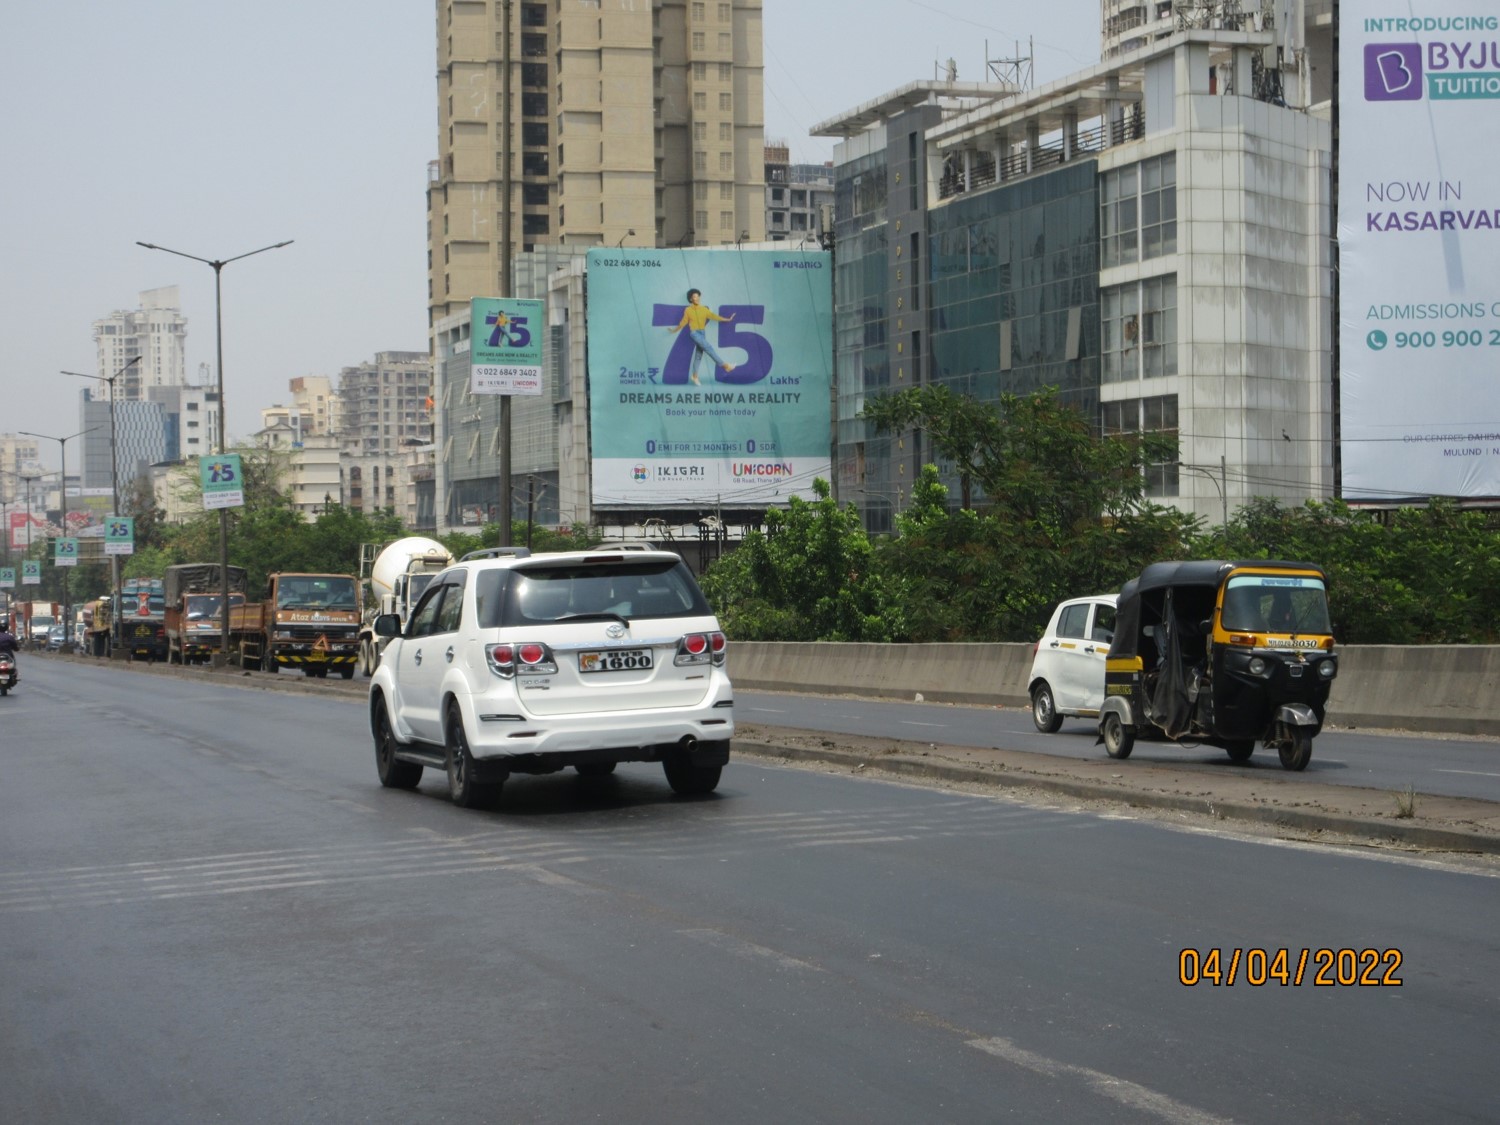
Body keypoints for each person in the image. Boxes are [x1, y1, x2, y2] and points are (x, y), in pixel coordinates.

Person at [667, 288, 736, 385]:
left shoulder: (704, 309)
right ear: (691, 299)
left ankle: (694, 376)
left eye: (698, 296)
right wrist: (674, 330)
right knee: (708, 348)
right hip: (694, 333)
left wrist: (727, 319)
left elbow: (714, 316)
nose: (697, 298)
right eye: (695, 296)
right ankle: (725, 366)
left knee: (698, 355)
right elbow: (683, 322)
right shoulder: (688, 310)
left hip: (702, 333)